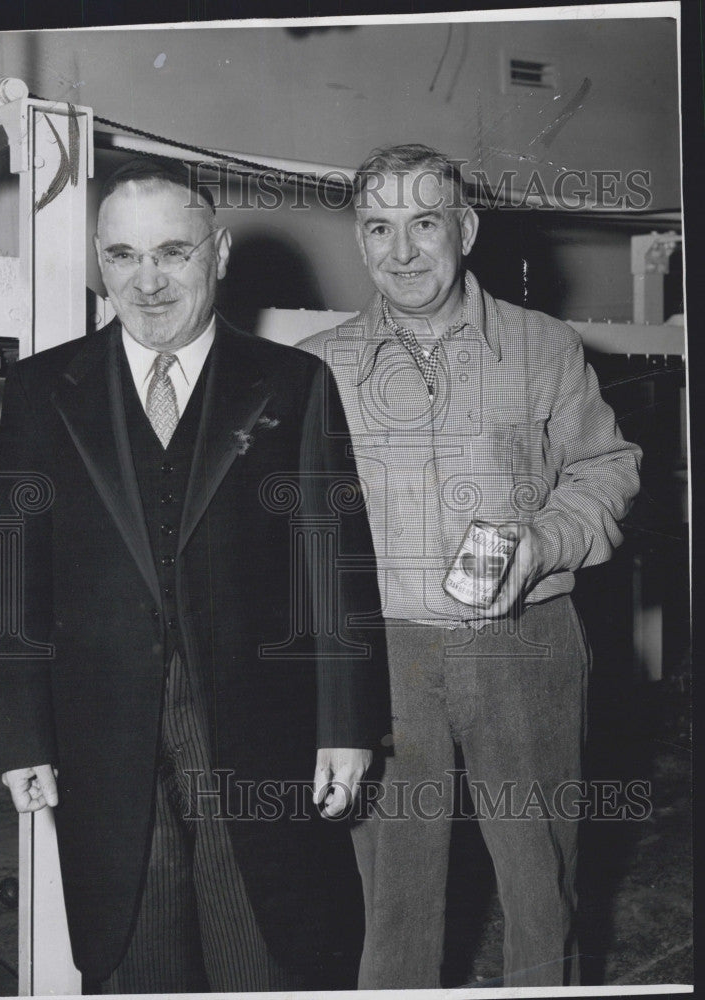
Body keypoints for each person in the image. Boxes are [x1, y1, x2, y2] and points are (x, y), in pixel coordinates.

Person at [0, 158, 389, 994]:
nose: (149, 280)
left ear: (222, 251)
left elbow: (332, 559)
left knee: (264, 950)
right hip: (101, 733)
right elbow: (16, 571)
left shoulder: (292, 383)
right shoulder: (39, 391)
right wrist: (20, 732)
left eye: (173, 251)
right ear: (99, 260)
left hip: (257, 727)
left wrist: (346, 724)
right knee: (136, 951)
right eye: (123, 256)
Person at [300, 143, 641, 988]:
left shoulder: (545, 346)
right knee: (394, 903)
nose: (403, 251)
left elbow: (608, 467)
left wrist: (541, 544)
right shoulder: (318, 366)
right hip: (384, 660)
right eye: (379, 227)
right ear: (360, 238)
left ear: (468, 227)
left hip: (526, 646)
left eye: (425, 223)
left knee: (541, 885)